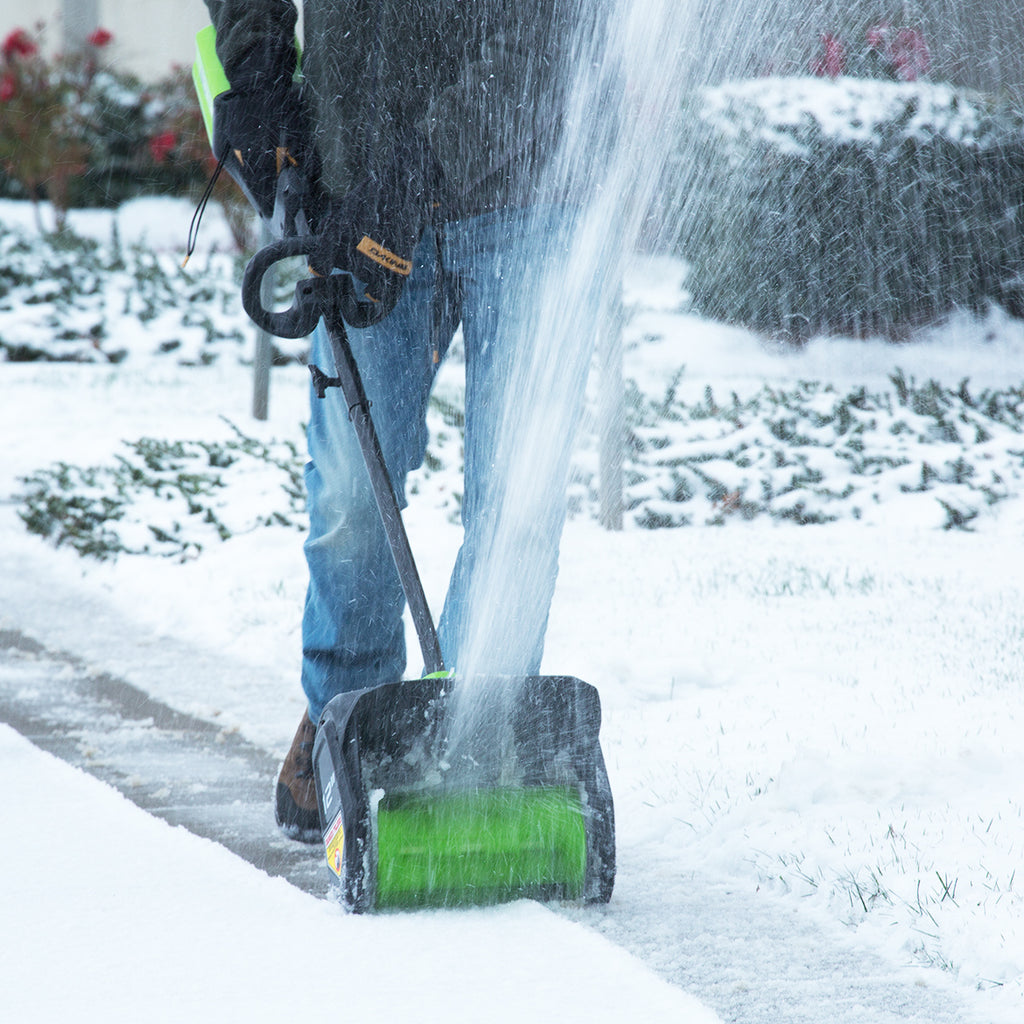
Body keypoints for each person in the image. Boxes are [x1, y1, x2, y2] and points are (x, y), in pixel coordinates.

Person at [201, 0, 602, 841]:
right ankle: (349, 714)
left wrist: (425, 163)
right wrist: (258, 76)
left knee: (518, 500)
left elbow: (554, 26)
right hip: (355, 179)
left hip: (533, 183)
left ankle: (473, 742)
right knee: (352, 492)